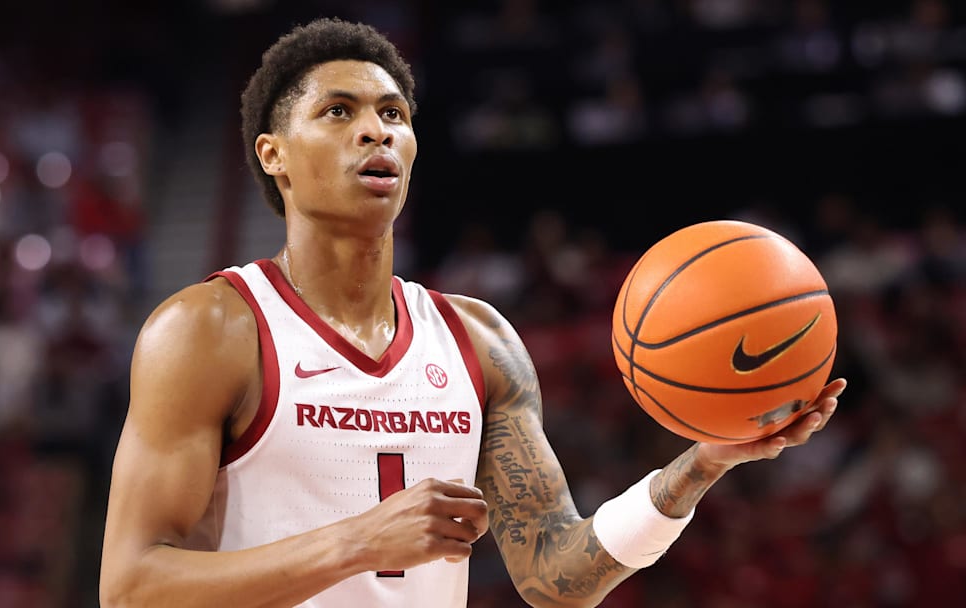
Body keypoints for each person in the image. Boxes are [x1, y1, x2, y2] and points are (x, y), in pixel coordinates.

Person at [99, 17, 847, 608]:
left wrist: (700, 465)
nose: (376, 130)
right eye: (339, 111)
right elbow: (132, 588)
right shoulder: (208, 329)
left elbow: (558, 578)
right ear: (274, 155)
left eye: (394, 112)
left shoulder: (478, 339)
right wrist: (357, 541)